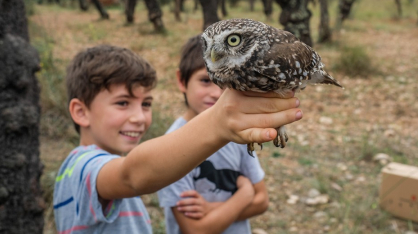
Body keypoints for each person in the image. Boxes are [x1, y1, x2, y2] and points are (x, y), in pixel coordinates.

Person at [53, 44, 303, 233]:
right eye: (122, 103)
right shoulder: (83, 167)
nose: (139, 117)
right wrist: (217, 123)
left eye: (146, 104)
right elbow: (132, 176)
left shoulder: (85, 171)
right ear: (80, 112)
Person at [157, 35, 269, 234]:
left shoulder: (237, 133)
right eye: (206, 80)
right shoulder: (170, 147)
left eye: (226, 83)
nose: (217, 93)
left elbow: (262, 201)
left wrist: (212, 209)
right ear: (182, 81)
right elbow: (195, 229)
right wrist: (244, 194)